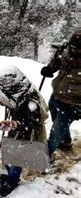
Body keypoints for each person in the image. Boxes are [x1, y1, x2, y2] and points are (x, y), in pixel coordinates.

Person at [0, 67, 49, 197]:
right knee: (11, 151)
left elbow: (31, 123)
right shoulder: (21, 95)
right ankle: (9, 176)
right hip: (19, 128)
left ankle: (11, 182)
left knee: (17, 159)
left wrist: (14, 125)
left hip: (28, 133)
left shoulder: (30, 105)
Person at [41, 28, 81, 156]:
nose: (74, 50)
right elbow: (57, 61)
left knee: (56, 132)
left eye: (78, 49)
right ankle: (65, 142)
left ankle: (44, 156)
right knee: (54, 117)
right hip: (57, 94)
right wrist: (49, 69)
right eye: (73, 47)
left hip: (74, 102)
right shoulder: (66, 49)